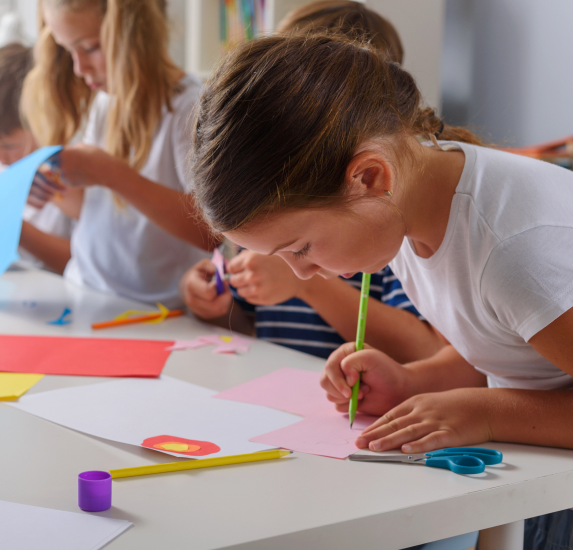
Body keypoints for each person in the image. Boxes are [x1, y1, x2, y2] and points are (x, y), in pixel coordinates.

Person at [189, 32, 573, 550]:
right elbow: (512, 341)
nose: (302, 274)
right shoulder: (413, 207)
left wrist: (483, 412)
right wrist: (414, 381)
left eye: (300, 248)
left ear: (369, 177)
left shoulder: (511, 251)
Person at [180, 1, 444, 364]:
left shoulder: (391, 223)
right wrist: (216, 306)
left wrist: (309, 287)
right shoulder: (273, 203)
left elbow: (431, 355)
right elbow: (250, 330)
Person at [18, 0, 216, 307]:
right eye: (68, 50)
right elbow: (104, 213)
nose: (78, 68)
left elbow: (210, 231)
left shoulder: (187, 107)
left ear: (134, 35)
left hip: (155, 309)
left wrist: (112, 175)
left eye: (91, 47)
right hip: (86, 289)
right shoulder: (105, 101)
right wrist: (56, 189)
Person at [0, 43, 73, 274]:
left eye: (8, 145)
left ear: (45, 123)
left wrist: (15, 229)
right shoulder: (2, 168)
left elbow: (80, 265)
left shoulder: (71, 180)